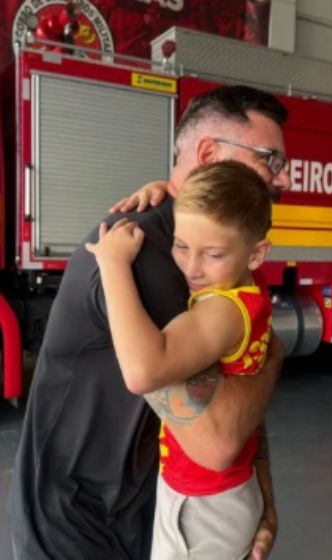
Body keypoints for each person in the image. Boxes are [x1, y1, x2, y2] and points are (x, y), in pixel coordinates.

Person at [10, 85, 291, 559]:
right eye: (270, 159)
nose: (280, 179)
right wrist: (274, 354)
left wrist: (261, 498)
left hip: (137, 514)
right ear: (207, 153)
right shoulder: (147, 256)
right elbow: (217, 441)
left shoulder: (212, 258)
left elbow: (235, 377)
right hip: (75, 530)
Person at [87, 161, 275, 558]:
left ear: (256, 254)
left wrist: (112, 264)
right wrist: (171, 192)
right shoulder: (250, 283)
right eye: (182, 244)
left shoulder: (222, 312)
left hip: (204, 505)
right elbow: (211, 218)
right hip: (219, 490)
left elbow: (143, 372)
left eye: (213, 254)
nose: (192, 267)